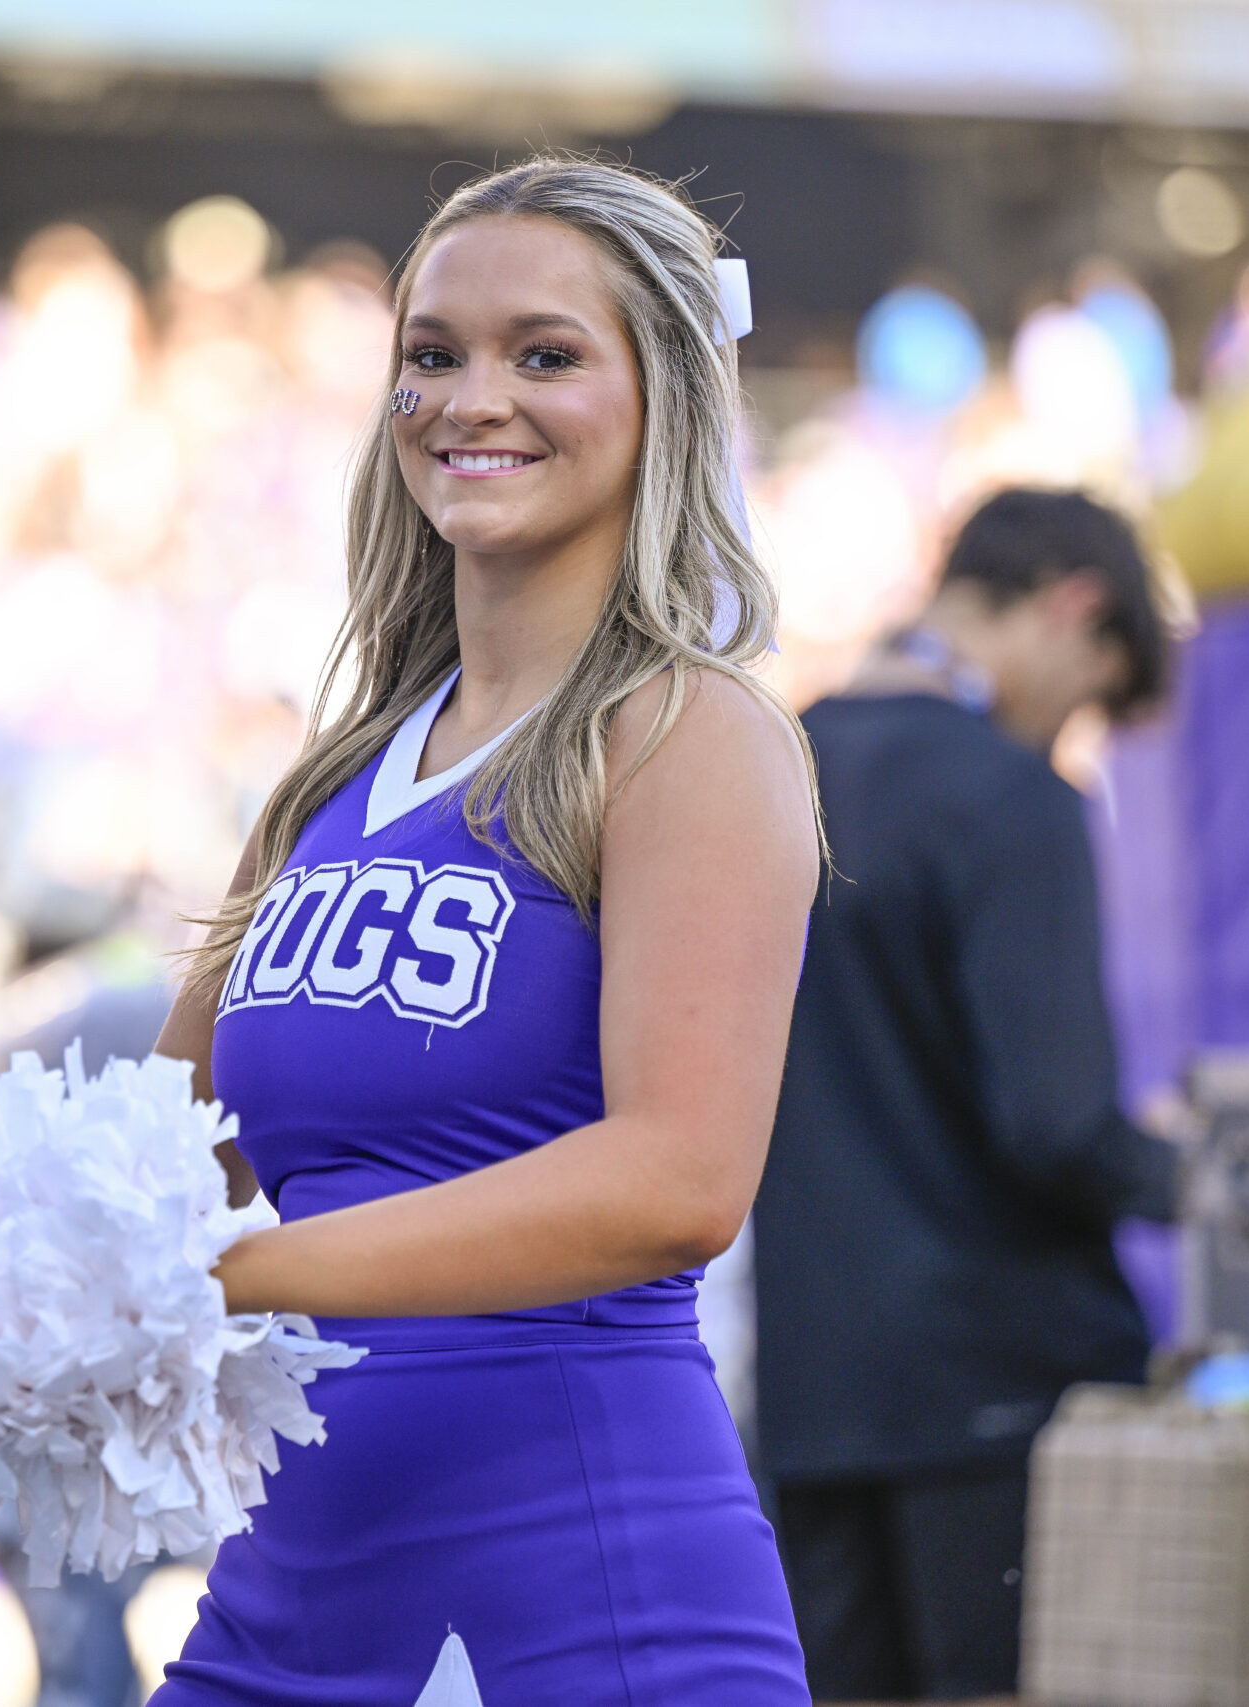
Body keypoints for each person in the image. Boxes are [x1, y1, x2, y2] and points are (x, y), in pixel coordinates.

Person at [144, 157, 821, 1704]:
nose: (473, 398)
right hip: (287, 1597)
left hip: (580, 1603)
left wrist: (240, 1274)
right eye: (431, 355)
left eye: (546, 353)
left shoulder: (688, 730)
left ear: (664, 399)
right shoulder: (332, 775)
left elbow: (678, 1179)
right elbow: (153, 1158)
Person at [755, 485, 1181, 1704]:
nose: (1071, 730)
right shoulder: (1012, 800)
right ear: (1071, 608)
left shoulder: (775, 766)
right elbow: (1053, 1125)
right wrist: (1198, 1175)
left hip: (814, 1390)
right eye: (1093, 691)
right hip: (998, 1386)